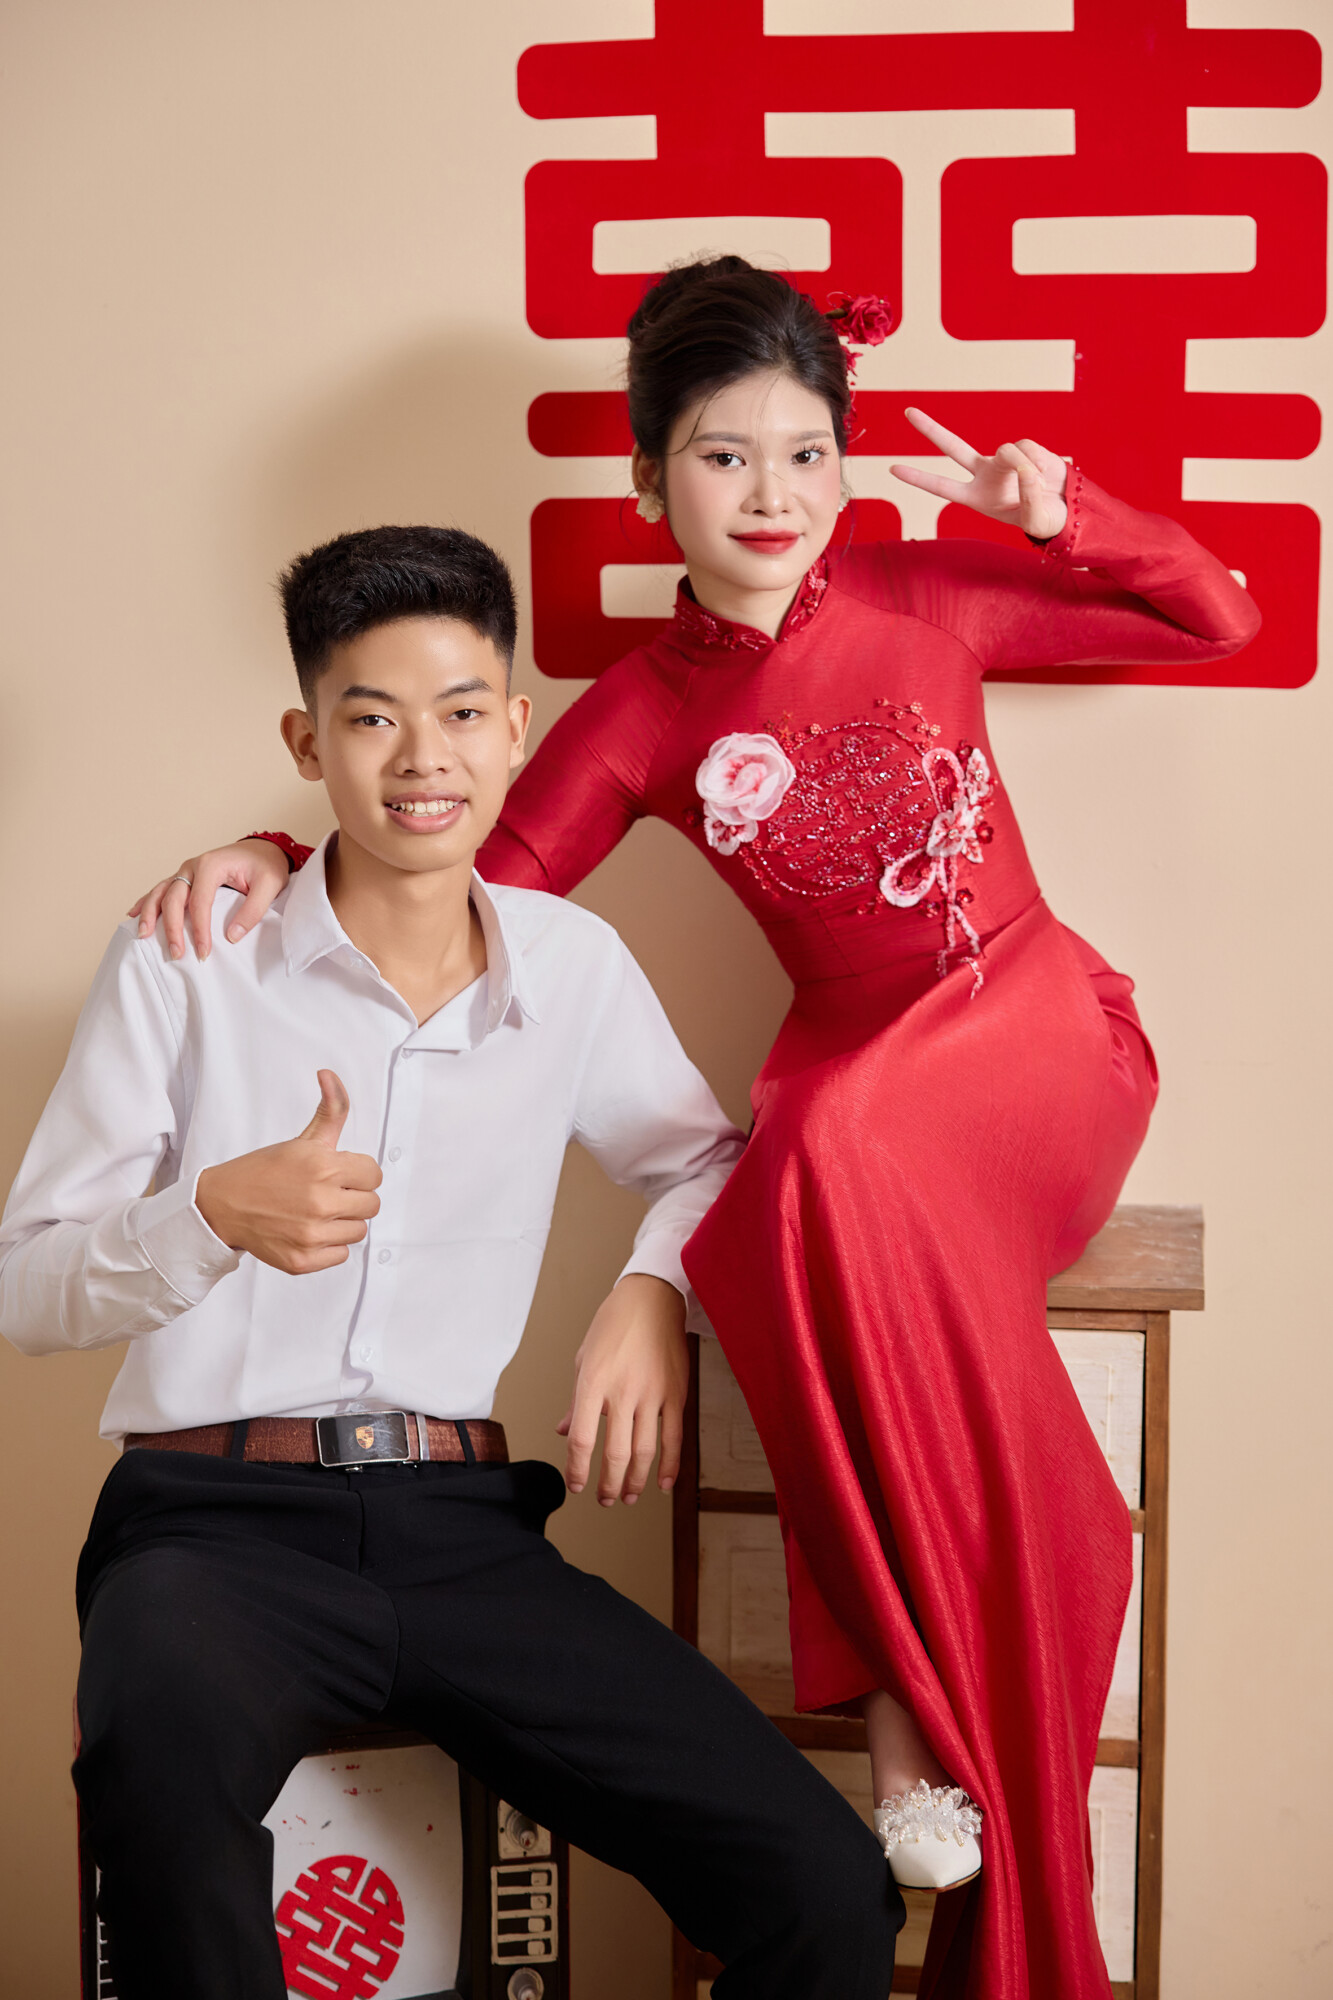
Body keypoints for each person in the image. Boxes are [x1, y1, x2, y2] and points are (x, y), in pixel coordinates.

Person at [133, 258, 1260, 2000]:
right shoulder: (644, 709)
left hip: (1036, 1032)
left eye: (806, 455)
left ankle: (907, 1712)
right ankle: (912, 1705)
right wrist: (276, 850)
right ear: (651, 479)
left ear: (845, 465)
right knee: (790, 1153)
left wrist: (1065, 518)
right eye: (724, 458)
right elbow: (462, 863)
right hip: (852, 1086)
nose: (772, 496)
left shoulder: (924, 594)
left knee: (819, 1144)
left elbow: (1220, 620)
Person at [0, 523, 903, 1999]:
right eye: (372, 719)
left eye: (462, 712)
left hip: (463, 1533)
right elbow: (25, 1286)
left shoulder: (572, 967)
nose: (425, 758)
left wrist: (650, 1291)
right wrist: (207, 1215)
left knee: (821, 1888)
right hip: (211, 1534)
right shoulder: (188, 959)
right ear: (308, 743)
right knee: (159, 1784)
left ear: (517, 727)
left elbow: (705, 1162)